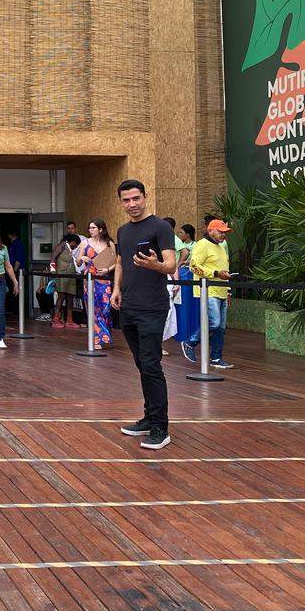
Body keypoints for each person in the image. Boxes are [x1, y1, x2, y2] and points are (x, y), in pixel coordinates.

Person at [114, 179, 178, 450]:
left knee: (151, 365)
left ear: (145, 197)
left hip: (152, 307)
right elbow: (119, 262)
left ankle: (160, 428)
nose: (132, 204)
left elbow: (171, 264)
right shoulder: (123, 230)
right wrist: (116, 288)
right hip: (128, 306)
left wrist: (156, 265)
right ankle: (149, 418)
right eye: (127, 200)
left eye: (136, 198)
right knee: (143, 365)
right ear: (121, 202)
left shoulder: (160, 227)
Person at [182, 218, 234, 369]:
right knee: (214, 321)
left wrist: (228, 289)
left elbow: (224, 268)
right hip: (208, 290)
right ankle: (190, 341)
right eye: (220, 232)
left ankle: (216, 357)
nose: (223, 235)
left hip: (222, 290)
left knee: (221, 327)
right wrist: (216, 273)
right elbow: (194, 266)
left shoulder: (221, 246)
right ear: (210, 231)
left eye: (225, 232)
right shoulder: (202, 245)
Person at [77, 220, 116, 349]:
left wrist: (108, 270)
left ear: (100, 229)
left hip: (104, 278)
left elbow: (117, 262)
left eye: (93, 228)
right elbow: (77, 263)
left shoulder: (109, 243)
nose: (90, 230)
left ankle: (104, 333)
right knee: (92, 308)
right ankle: (96, 338)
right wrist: (81, 258)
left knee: (105, 307)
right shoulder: (85, 243)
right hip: (89, 278)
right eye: (89, 228)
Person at [52, 234, 82, 328]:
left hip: (71, 275)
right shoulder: (62, 245)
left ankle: (69, 320)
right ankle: (55, 319)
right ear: (72, 242)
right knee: (61, 297)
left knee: (70, 297)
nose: (76, 246)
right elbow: (53, 258)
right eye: (76, 244)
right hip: (61, 275)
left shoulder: (70, 250)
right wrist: (53, 272)